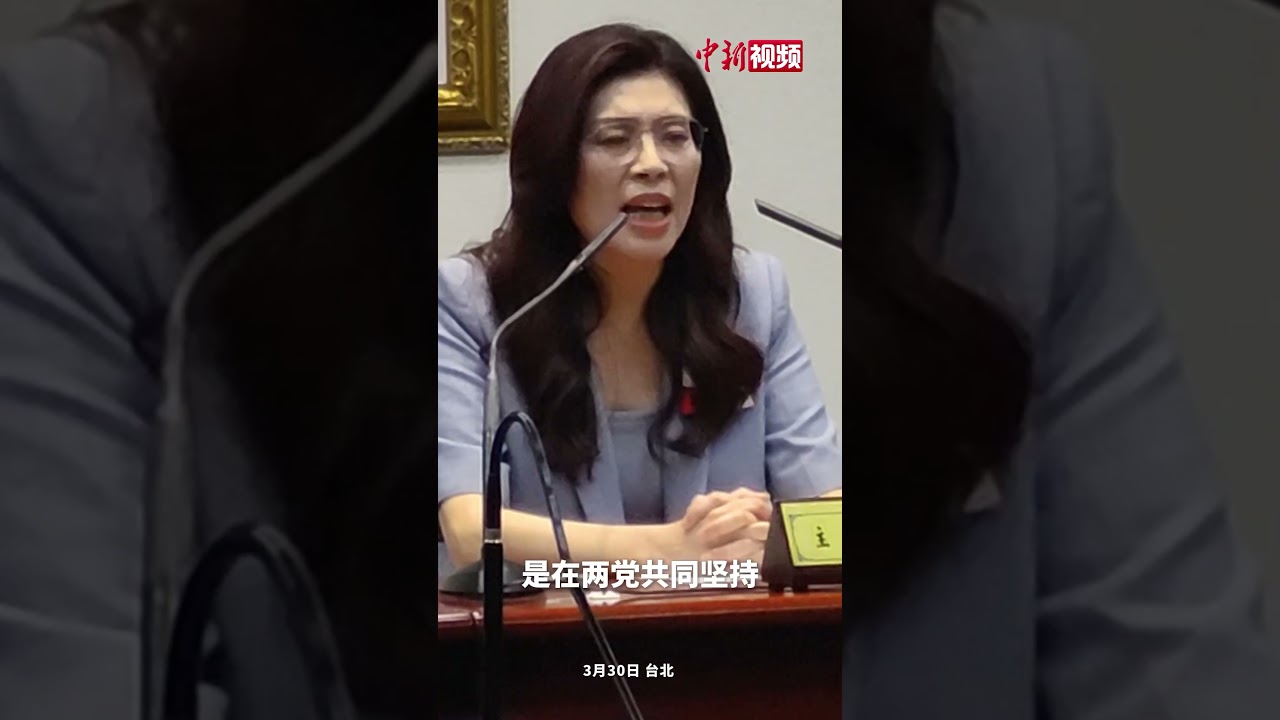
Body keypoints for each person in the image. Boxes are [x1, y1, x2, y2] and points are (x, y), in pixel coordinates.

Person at [435, 25, 843, 573]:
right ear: (557, 166)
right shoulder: (474, 305)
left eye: (675, 136)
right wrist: (668, 551)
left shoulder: (752, 297)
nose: (653, 163)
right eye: (615, 139)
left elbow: (828, 511)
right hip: (551, 628)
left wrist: (771, 537)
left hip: (730, 627)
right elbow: (469, 531)